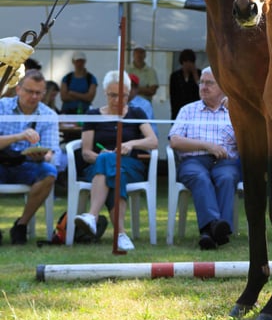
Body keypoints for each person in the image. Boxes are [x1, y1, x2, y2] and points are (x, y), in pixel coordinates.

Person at [74, 70, 158, 251]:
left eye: (123, 95)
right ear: (105, 93)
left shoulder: (136, 112)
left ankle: (92, 216)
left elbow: (153, 141)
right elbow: (86, 153)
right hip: (97, 166)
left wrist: (131, 144)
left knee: (112, 167)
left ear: (129, 93)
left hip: (131, 166)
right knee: (111, 168)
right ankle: (120, 234)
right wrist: (104, 157)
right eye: (113, 95)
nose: (118, 100)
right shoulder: (93, 114)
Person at [168, 67, 241, 250]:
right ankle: (217, 229)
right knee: (199, 177)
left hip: (226, 162)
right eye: (202, 82)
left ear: (222, 87)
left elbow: (247, 143)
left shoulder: (234, 112)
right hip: (194, 161)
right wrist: (207, 145)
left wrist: (236, 112)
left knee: (226, 177)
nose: (204, 87)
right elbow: (175, 141)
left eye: (209, 83)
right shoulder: (188, 110)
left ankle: (209, 232)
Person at [0, 69, 59, 245]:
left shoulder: (48, 115)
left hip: (27, 165)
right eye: (29, 91)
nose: (33, 97)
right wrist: (19, 136)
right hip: (1, 162)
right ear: (18, 89)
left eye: (38, 93)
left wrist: (43, 156)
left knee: (49, 172)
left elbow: (51, 152)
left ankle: (21, 225)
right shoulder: (2, 106)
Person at [60, 51, 97, 115]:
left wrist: (72, 93)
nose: (79, 63)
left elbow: (90, 98)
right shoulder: (67, 78)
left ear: (85, 62)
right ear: (73, 62)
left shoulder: (91, 78)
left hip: (85, 112)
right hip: (67, 112)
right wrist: (83, 96)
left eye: (81, 61)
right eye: (77, 61)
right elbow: (63, 97)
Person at [169, 48, 201, 120]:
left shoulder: (199, 73)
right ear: (182, 62)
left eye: (190, 62)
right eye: (186, 61)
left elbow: (202, 90)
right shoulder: (175, 76)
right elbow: (172, 95)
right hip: (179, 110)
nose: (188, 64)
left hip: (195, 110)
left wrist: (195, 76)